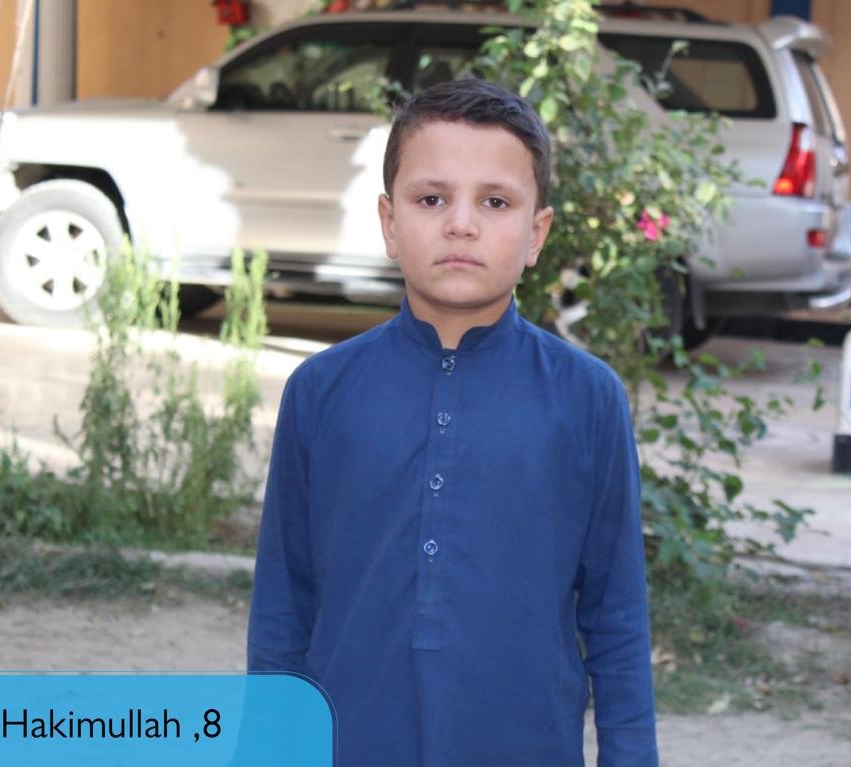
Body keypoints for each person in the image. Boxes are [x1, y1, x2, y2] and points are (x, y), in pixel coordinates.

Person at [247, 78, 658, 766]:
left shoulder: (587, 398)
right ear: (389, 222)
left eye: (495, 202)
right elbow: (283, 607)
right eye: (431, 199)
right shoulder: (321, 392)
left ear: (536, 234)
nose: (461, 224)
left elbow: (616, 614)